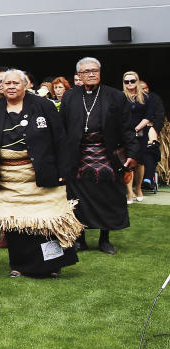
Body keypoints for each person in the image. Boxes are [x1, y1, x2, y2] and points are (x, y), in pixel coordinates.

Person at [0, 69, 83, 277]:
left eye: (16, 83)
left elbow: (60, 138)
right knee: (15, 223)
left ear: (26, 85)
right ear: (0, 86)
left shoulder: (43, 106)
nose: (11, 87)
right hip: (8, 177)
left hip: (40, 173)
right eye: (7, 83)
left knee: (45, 222)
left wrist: (63, 169)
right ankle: (19, 265)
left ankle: (51, 266)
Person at [60, 57, 140, 254]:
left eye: (95, 70)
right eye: (86, 71)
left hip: (107, 153)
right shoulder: (69, 97)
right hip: (78, 155)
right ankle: (80, 239)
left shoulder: (115, 96)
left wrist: (132, 153)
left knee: (108, 197)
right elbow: (62, 128)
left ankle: (105, 239)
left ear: (100, 73)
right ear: (79, 75)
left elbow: (127, 128)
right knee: (76, 198)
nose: (91, 74)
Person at [122, 70, 152, 203]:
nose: (129, 83)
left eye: (132, 81)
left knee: (140, 163)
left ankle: (138, 188)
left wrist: (137, 128)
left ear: (137, 81)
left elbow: (148, 116)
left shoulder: (145, 97)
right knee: (128, 163)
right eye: (126, 81)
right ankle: (129, 193)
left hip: (140, 133)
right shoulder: (120, 97)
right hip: (125, 134)